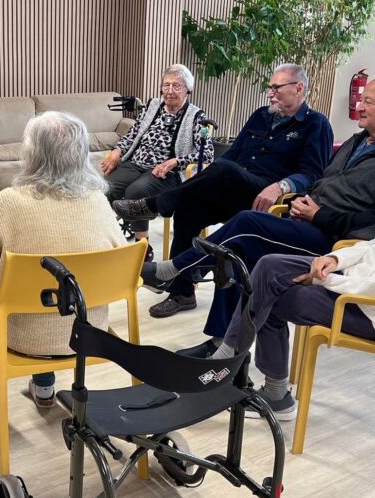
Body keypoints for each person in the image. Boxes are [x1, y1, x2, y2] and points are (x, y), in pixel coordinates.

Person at [141, 78, 375, 356]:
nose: (359, 106)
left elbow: (367, 223)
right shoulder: (356, 142)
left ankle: (175, 268)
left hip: (334, 241)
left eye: (368, 101)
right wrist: (302, 201)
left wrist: (317, 213)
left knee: (246, 223)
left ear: (299, 88)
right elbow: (322, 181)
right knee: (232, 249)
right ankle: (220, 343)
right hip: (300, 217)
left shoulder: (317, 124)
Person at [113, 64, 333, 317]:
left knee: (224, 169)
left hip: (266, 195)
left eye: (276, 88)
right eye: (269, 87)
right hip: (234, 187)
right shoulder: (261, 116)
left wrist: (281, 186)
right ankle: (182, 293)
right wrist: (209, 179)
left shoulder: (316, 124)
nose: (270, 93)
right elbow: (233, 154)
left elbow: (313, 174)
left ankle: (154, 205)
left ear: (299, 88)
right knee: (189, 207)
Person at [0, 111, 125, 421]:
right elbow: (120, 260)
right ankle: (45, 388)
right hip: (87, 331)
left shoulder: (9, 202)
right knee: (54, 291)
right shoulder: (98, 201)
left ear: (31, 153)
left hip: (22, 336)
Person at [206, 243, 375, 420]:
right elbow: (370, 245)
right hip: (349, 276)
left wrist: (321, 280)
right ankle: (263, 386)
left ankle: (228, 365)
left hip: (365, 307)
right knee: (269, 266)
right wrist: (335, 259)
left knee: (269, 295)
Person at [103, 63, 213, 262]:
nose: (170, 91)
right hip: (135, 163)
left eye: (176, 86)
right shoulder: (152, 106)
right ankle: (108, 243)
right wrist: (117, 150)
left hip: (165, 172)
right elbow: (133, 134)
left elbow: (207, 154)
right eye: (166, 85)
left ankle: (142, 248)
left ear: (188, 90)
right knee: (104, 188)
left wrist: (176, 162)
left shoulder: (197, 116)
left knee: (135, 192)